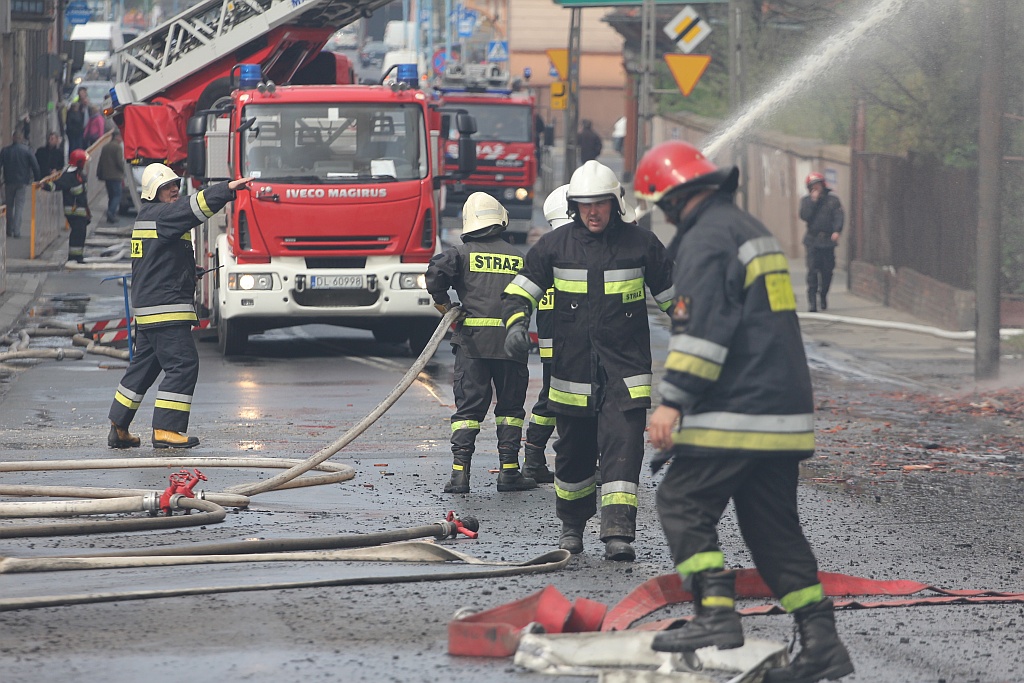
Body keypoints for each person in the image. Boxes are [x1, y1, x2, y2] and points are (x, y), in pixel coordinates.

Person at [634, 140, 854, 683]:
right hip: (781, 412)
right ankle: (822, 644)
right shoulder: (746, 227)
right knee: (773, 532)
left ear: (672, 197)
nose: (664, 216)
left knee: (682, 501)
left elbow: (702, 332)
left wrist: (672, 402)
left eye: (661, 205)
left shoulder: (707, 238)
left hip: (740, 408)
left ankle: (715, 613)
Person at [503, 160, 675, 562]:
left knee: (623, 452)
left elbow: (677, 302)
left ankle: (618, 533)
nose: (592, 212)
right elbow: (520, 292)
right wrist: (515, 326)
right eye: (585, 205)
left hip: (625, 375)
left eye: (599, 203)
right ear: (574, 206)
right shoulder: (555, 246)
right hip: (572, 375)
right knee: (573, 456)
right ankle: (572, 526)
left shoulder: (642, 244)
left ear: (615, 203)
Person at [107, 165, 252, 450]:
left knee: (142, 369)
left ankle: (118, 426)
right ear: (153, 192)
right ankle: (166, 429)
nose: (174, 189)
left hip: (149, 308)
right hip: (166, 309)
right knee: (183, 365)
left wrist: (187, 272)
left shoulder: (147, 217)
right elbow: (194, 207)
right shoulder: (164, 215)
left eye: (175, 184)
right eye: (167, 186)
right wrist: (226, 189)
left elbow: (154, 262)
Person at [425, 192, 538, 495]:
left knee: (468, 412)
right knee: (510, 409)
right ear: (500, 219)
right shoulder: (518, 257)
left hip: (473, 346)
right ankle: (509, 472)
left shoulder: (460, 254)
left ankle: (460, 476)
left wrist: (445, 305)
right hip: (511, 345)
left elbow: (435, 274)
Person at [520, 185, 573, 485]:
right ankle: (583, 461)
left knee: (550, 399)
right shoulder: (574, 251)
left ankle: (534, 459)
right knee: (584, 401)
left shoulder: (543, 253)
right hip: (576, 344)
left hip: (551, 344)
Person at [800, 172, 843, 312]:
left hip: (827, 241)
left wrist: (837, 230)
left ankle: (823, 294)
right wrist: (813, 201)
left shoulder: (832, 200)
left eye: (818, 184)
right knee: (812, 271)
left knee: (827, 271)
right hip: (812, 241)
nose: (816, 188)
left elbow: (839, 216)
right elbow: (805, 216)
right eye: (813, 185)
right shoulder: (806, 201)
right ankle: (812, 302)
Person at [39, 149, 91, 263]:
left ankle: (77, 256)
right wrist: (45, 186)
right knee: (77, 234)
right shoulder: (69, 176)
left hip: (80, 211)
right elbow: (57, 185)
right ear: (79, 163)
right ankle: (75, 257)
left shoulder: (79, 175)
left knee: (80, 233)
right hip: (74, 212)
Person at [0, 130, 42, 238]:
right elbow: (35, 165)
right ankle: (17, 231)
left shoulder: (5, 151)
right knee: (19, 206)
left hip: (9, 182)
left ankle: (9, 229)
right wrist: (37, 180)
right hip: (22, 182)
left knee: (9, 206)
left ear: (12, 138)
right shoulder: (27, 151)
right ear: (22, 139)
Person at [97, 129, 125, 224]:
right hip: (116, 176)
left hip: (107, 176)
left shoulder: (106, 147)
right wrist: (124, 171)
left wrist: (99, 173)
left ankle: (110, 215)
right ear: (117, 137)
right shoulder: (117, 147)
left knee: (111, 196)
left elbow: (101, 161)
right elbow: (119, 162)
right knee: (117, 195)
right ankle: (111, 212)